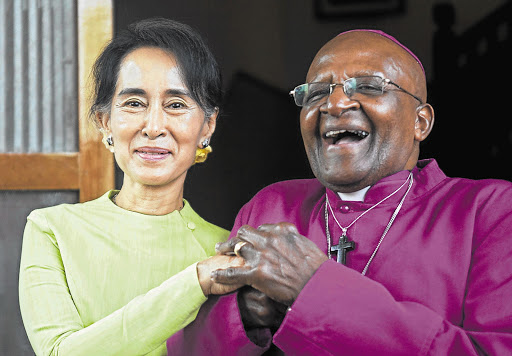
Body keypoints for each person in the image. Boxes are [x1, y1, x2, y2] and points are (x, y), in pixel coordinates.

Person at [166, 30, 512, 355]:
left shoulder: (490, 210)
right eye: (316, 93)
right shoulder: (272, 206)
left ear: (420, 122)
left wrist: (312, 290)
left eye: (367, 86)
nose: (334, 104)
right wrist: (247, 315)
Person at [19, 18, 244, 356]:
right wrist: (194, 283)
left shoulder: (225, 252)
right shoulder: (52, 230)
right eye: (134, 103)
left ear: (207, 126)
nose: (153, 127)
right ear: (105, 121)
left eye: (176, 105)